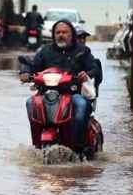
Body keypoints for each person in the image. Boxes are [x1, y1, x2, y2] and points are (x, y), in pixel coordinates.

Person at [20, 19, 99, 153]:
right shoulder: (45, 51)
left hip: (73, 93)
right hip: (47, 93)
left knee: (81, 106)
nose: (61, 35)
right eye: (58, 32)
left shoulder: (82, 51)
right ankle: (37, 145)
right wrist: (25, 73)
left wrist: (86, 74)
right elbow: (32, 65)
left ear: (71, 34)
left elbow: (94, 68)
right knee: (30, 103)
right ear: (53, 35)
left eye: (64, 32)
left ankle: (78, 148)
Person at [75, 27, 103, 96]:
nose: (82, 40)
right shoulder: (64, 51)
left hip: (81, 86)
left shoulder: (86, 52)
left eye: (83, 38)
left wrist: (86, 75)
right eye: (79, 38)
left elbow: (95, 69)